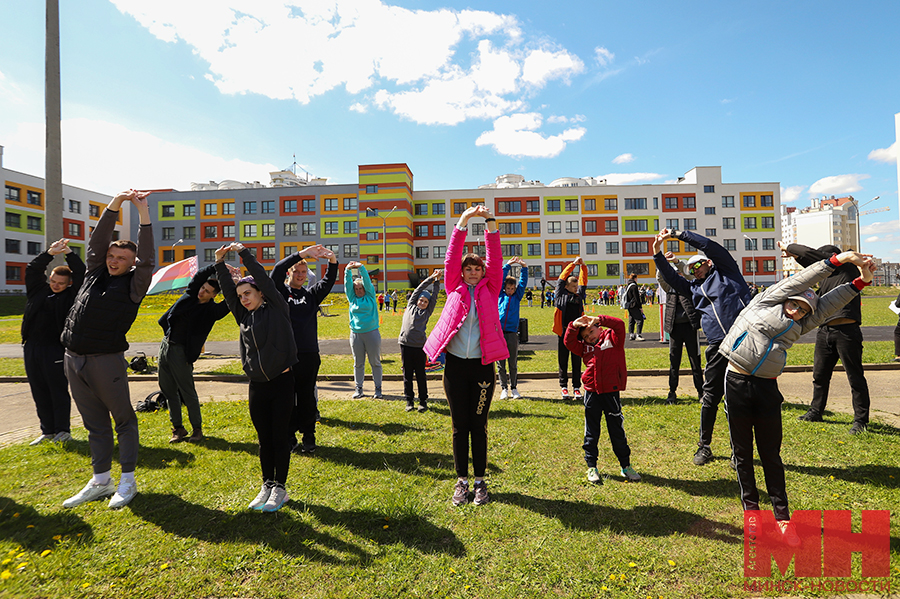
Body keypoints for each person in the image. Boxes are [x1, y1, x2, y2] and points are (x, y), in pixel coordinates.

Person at [718, 251, 874, 543]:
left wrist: (860, 283)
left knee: (771, 455)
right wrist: (837, 261)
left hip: (766, 387)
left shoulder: (803, 324)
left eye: (803, 310)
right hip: (736, 381)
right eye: (794, 304)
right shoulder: (765, 301)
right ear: (784, 298)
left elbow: (828, 305)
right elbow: (805, 278)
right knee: (742, 454)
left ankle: (782, 518)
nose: (797, 311)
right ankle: (752, 515)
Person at [61, 190, 153, 510]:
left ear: (131, 264)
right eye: (112, 256)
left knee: (123, 420)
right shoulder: (93, 273)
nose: (114, 260)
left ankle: (128, 481)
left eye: (122, 259)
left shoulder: (134, 285)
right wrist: (115, 204)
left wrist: (143, 213)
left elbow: (148, 259)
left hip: (106, 361)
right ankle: (101, 480)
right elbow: (97, 242)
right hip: (73, 358)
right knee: (94, 423)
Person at [424, 205, 507, 506]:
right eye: (468, 269)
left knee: (478, 424)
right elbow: (451, 254)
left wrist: (490, 222)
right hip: (456, 367)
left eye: (477, 269)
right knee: (459, 424)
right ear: (461, 272)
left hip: (483, 367)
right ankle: (461, 482)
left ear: (484, 272)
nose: (473, 273)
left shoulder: (492, 287)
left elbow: (495, 257)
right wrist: (463, 221)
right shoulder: (453, 287)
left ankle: (481, 481)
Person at [653, 228, 751, 466]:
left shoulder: (727, 272)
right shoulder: (693, 288)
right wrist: (657, 252)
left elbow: (710, 246)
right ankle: (704, 447)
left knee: (738, 399)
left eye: (697, 266)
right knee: (710, 397)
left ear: (708, 263)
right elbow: (670, 276)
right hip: (717, 345)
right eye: (691, 270)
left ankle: (737, 451)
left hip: (742, 340)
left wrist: (678, 234)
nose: (694, 271)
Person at [216, 242, 298, 512]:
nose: (244, 299)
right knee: (264, 439)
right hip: (257, 386)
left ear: (261, 293)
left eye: (248, 293)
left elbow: (262, 277)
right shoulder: (243, 315)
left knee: (279, 437)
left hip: (282, 382)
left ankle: (281, 490)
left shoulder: (276, 307)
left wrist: (243, 254)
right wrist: (219, 263)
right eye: (241, 296)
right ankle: (267, 484)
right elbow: (228, 292)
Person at [781, 242, 873, 434]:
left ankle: (860, 421)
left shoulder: (847, 268)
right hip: (825, 331)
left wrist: (789, 248)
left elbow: (805, 252)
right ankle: (816, 411)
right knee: (820, 376)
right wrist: (794, 257)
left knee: (855, 378)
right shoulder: (826, 276)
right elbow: (807, 260)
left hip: (847, 331)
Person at [271, 244, 337, 454]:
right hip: (287, 356)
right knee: (287, 398)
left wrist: (332, 261)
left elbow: (328, 281)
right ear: (290, 273)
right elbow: (276, 272)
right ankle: (289, 436)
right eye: (296, 271)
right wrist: (302, 254)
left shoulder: (311, 295)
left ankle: (309, 435)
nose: (300, 275)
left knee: (307, 396)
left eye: (303, 272)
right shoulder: (280, 293)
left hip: (309, 355)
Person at [565, 314, 642, 484]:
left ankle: (625, 466)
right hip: (592, 394)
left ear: (598, 327)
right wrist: (573, 325)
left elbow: (620, 325)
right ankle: (592, 466)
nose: (589, 337)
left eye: (591, 331)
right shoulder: (584, 348)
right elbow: (568, 343)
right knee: (592, 431)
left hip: (611, 393)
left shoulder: (613, 339)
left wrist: (599, 318)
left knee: (617, 431)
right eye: (585, 336)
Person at [158, 263, 230, 443]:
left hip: (182, 352)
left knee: (187, 391)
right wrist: (216, 264)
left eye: (207, 291)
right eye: (202, 288)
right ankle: (178, 429)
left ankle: (197, 429)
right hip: (165, 346)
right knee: (168, 391)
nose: (202, 291)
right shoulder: (190, 296)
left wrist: (230, 279)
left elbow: (231, 300)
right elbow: (198, 276)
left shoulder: (212, 311)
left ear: (214, 295)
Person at [23, 238, 85, 445]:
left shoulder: (72, 296)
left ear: (69, 284)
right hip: (32, 347)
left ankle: (62, 431)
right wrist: (49, 253)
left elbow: (83, 274)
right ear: (49, 278)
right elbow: (32, 270)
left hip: (56, 349)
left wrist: (69, 253)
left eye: (60, 283)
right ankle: (47, 431)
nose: (55, 286)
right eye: (53, 281)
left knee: (57, 390)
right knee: (38, 389)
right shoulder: (38, 291)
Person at [656, 253, 703, 405]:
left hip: (690, 327)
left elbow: (690, 275)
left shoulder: (690, 284)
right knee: (673, 362)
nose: (676, 276)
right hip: (675, 328)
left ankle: (701, 392)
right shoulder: (669, 286)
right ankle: (672, 392)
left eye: (678, 273)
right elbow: (660, 277)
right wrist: (663, 262)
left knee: (695, 361)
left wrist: (677, 262)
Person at [398, 269, 442, 412]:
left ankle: (423, 401)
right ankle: (409, 401)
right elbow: (419, 288)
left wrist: (437, 282)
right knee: (407, 375)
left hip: (419, 347)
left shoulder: (427, 312)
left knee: (421, 375)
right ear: (416, 300)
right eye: (421, 300)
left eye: (425, 301)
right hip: (405, 345)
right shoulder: (411, 305)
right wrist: (431, 278)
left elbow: (434, 296)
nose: (423, 302)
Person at [345, 261, 383, 398]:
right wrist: (347, 270)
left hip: (372, 333)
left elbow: (367, 281)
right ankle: (359, 389)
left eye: (361, 288)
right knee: (358, 363)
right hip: (356, 334)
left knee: (375, 362)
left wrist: (361, 267)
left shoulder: (370, 297)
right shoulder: (352, 298)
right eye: (356, 289)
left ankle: (378, 389)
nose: (359, 290)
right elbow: (347, 284)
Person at [553, 258, 588, 400]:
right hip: (563, 332)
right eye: (573, 286)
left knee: (576, 360)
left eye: (576, 286)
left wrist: (583, 267)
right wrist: (573, 264)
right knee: (563, 360)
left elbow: (583, 281)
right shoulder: (560, 295)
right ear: (566, 287)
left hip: (577, 334)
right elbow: (561, 278)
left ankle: (576, 387)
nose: (576, 288)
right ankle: (563, 387)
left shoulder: (579, 296)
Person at [497, 257, 528, 399]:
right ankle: (504, 388)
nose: (510, 291)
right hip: (499, 333)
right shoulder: (499, 295)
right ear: (504, 288)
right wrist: (507, 266)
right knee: (500, 363)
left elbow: (523, 283)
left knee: (512, 362)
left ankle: (514, 388)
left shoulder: (517, 296)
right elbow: (499, 280)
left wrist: (524, 268)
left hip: (512, 333)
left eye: (512, 289)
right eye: (508, 288)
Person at [623, 273, 645, 341]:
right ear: (635, 278)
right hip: (634, 305)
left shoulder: (628, 285)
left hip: (629, 305)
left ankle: (631, 334)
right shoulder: (634, 286)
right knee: (640, 320)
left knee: (631, 320)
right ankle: (638, 335)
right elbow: (637, 298)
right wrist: (640, 307)